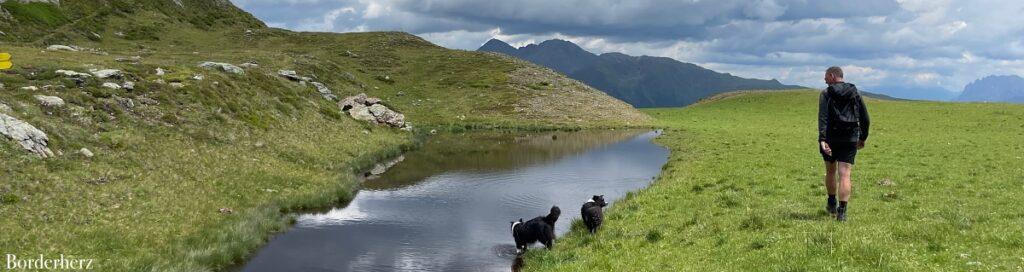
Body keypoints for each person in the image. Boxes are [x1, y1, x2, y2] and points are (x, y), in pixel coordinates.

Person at [818, 66, 870, 222]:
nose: (825, 79)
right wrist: (863, 137)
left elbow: (823, 118)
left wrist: (822, 139)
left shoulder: (826, 93)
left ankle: (832, 202)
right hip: (850, 137)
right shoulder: (855, 92)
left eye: (826, 76)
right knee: (845, 174)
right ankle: (842, 212)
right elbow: (865, 117)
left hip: (831, 137)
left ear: (833, 76)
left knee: (830, 171)